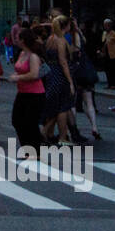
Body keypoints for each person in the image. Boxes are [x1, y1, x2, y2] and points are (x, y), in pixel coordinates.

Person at [40, 16, 78, 145]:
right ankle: (62, 137)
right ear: (65, 26)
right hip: (60, 75)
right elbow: (63, 61)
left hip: (51, 74)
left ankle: (47, 133)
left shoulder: (50, 39)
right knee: (62, 107)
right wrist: (70, 81)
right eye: (69, 25)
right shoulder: (60, 40)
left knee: (55, 106)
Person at [5, 29, 46, 149]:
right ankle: (27, 147)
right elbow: (20, 69)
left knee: (30, 122)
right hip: (23, 92)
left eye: (18, 38)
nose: (15, 40)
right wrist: (16, 76)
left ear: (23, 40)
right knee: (17, 121)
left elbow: (34, 74)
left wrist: (17, 77)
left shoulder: (33, 56)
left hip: (35, 94)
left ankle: (35, 149)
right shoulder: (22, 53)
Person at [68, 17, 101, 140]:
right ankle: (94, 127)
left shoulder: (69, 36)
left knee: (72, 102)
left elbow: (75, 51)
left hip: (75, 70)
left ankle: (73, 128)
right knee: (89, 101)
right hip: (85, 69)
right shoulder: (80, 35)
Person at [99, 19, 115, 89]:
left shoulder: (114, 33)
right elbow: (103, 42)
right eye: (104, 25)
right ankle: (109, 83)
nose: (105, 27)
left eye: (107, 25)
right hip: (106, 54)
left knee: (113, 70)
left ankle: (114, 84)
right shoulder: (105, 33)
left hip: (113, 55)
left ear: (110, 26)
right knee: (107, 69)